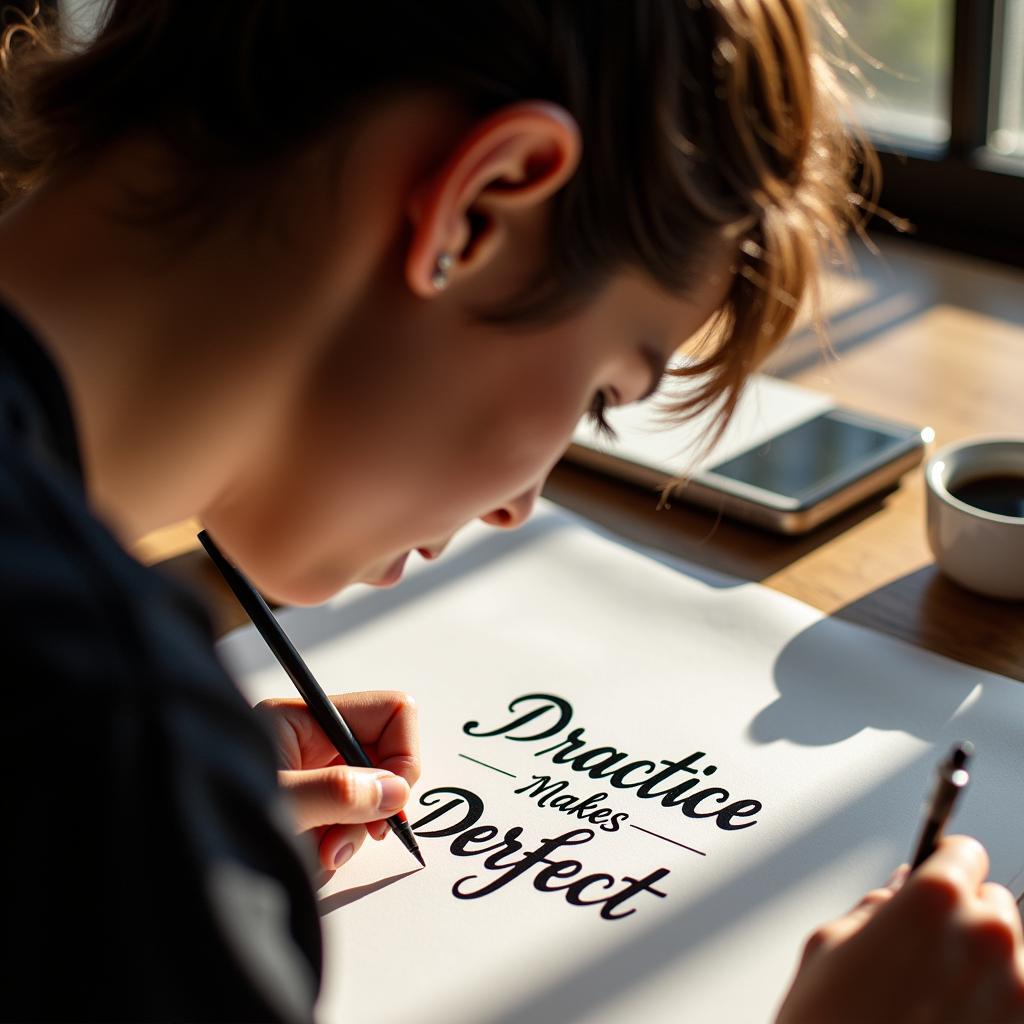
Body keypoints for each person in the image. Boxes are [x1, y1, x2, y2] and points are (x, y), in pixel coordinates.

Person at [0, 1, 1021, 1021]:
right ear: (482, 205)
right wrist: (148, 835)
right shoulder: (104, 749)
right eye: (600, 394)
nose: (517, 508)